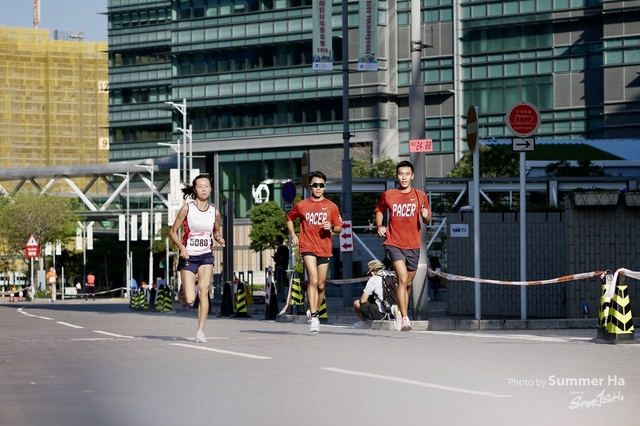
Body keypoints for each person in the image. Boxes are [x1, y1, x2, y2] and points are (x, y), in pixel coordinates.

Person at [375, 161, 431, 332]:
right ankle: (405, 318)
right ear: (397, 176)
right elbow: (379, 210)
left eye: (407, 174)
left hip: (413, 244)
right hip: (394, 243)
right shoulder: (389, 195)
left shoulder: (421, 196)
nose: (404, 177)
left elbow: (427, 219)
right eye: (401, 174)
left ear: (412, 176)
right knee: (402, 278)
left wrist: (426, 215)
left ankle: (399, 308)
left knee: (407, 283)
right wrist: (380, 226)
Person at [169, 174, 225, 343]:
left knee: (203, 291)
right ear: (194, 189)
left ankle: (200, 331)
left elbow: (216, 231)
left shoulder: (215, 213)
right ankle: (183, 291)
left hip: (206, 255)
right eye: (200, 186)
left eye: (206, 186)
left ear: (211, 189)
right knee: (190, 299)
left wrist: (219, 238)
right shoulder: (187, 209)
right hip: (189, 255)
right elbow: (172, 232)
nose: (203, 189)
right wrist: (182, 248)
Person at [287, 171, 343, 333]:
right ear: (310, 186)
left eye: (321, 185)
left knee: (321, 284)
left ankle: (315, 311)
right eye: (315, 185)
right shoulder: (302, 205)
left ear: (325, 186)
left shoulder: (331, 206)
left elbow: (339, 228)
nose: (318, 188)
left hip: (324, 248)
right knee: (313, 279)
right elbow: (289, 218)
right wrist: (293, 235)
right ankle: (314, 317)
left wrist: (331, 227)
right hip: (307, 247)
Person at [353, 260, 387, 329]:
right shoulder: (390, 275)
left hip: (382, 315)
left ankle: (365, 323)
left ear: (372, 272)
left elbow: (363, 300)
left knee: (356, 303)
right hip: (395, 313)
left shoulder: (374, 279)